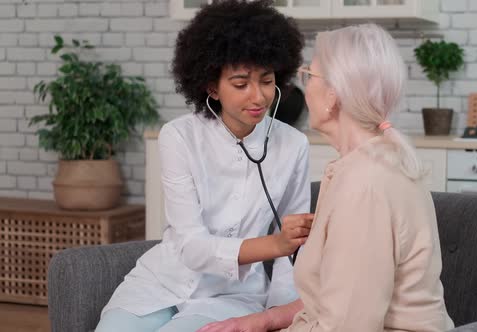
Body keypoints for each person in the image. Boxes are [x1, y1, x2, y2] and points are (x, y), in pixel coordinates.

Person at [198, 23, 455, 332]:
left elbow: (347, 324)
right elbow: (334, 296)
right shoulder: (358, 167)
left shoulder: (365, 186)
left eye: (309, 75)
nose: (304, 87)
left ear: (333, 96)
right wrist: (261, 321)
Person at [95, 1, 314, 331]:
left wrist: (278, 318)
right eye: (241, 84)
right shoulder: (179, 137)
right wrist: (274, 244)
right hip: (160, 284)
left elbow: (293, 254)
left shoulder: (293, 146)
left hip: (231, 296)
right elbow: (192, 247)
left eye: (266, 81)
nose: (258, 97)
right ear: (212, 87)